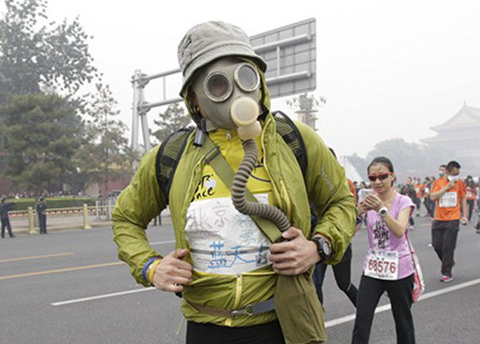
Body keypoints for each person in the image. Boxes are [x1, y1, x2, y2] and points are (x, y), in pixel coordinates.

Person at [112, 21, 356, 344]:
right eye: (217, 85)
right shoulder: (172, 156)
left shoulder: (293, 141)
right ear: (195, 99)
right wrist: (151, 268)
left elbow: (341, 201)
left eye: (245, 77)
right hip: (207, 327)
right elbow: (126, 218)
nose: (237, 92)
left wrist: (318, 246)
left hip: (282, 323)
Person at [352, 156, 416, 344]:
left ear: (392, 176)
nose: (377, 182)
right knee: (362, 319)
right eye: (372, 178)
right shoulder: (368, 201)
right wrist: (357, 213)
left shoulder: (403, 201)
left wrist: (381, 209)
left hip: (400, 268)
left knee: (402, 321)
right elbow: (352, 232)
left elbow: (399, 231)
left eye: (382, 176)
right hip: (374, 268)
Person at [312, 148, 358, 307]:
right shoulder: (312, 182)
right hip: (317, 241)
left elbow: (349, 212)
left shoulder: (345, 183)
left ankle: (364, 312)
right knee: (316, 285)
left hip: (339, 241)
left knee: (343, 284)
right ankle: (318, 323)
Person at [429, 160, 467, 282]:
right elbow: (433, 196)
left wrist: (464, 215)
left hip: (453, 218)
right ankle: (449, 262)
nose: (456, 176)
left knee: (448, 247)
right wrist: (447, 187)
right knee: (436, 245)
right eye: (454, 174)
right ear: (447, 172)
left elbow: (463, 199)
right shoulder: (437, 182)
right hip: (439, 218)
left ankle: (446, 273)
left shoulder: (460, 183)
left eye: (457, 174)